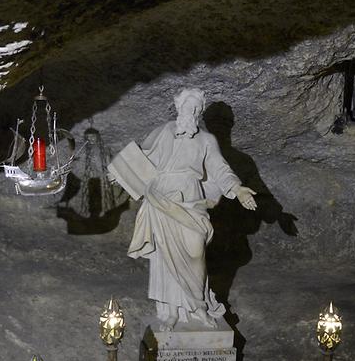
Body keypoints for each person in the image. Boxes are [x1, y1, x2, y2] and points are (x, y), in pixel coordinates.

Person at [108, 88, 257, 330]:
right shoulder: (163, 132)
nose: (194, 111)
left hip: (191, 200)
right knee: (165, 257)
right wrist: (120, 174)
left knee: (195, 250)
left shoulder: (207, 141)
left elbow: (220, 169)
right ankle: (171, 312)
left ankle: (198, 305)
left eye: (198, 108)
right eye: (190, 106)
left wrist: (237, 189)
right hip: (162, 197)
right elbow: (141, 158)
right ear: (179, 107)